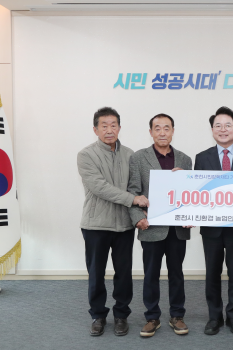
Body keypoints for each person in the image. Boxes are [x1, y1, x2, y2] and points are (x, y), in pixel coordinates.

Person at [77, 107, 149, 337]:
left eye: (113, 125)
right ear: (95, 129)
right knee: (96, 273)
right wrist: (132, 199)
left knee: (124, 273)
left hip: (124, 225)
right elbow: (99, 187)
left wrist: (173, 177)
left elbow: (139, 184)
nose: (109, 130)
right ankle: (98, 315)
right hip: (95, 225)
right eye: (104, 126)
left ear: (119, 127)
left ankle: (121, 315)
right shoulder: (86, 155)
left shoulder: (130, 155)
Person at [127, 113, 193, 338]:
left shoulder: (185, 159)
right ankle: (152, 317)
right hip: (151, 227)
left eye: (167, 128)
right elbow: (133, 191)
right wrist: (137, 217)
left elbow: (191, 194)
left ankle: (177, 315)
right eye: (157, 128)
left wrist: (191, 214)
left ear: (173, 131)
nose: (162, 132)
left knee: (177, 273)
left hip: (177, 229)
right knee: (151, 274)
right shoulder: (138, 158)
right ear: (151, 132)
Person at [194, 106, 233, 336]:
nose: (223, 129)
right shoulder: (202, 158)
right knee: (212, 273)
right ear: (212, 130)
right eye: (218, 125)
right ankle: (214, 317)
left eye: (228, 125)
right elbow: (197, 192)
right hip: (211, 228)